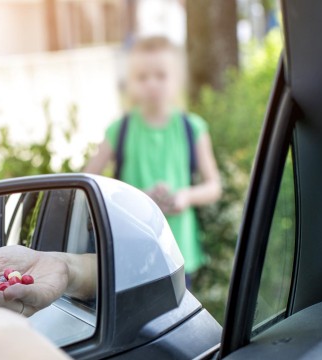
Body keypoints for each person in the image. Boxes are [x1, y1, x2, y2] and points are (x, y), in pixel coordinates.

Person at [83, 36, 222, 287]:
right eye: (142, 76)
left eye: (161, 75)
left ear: (177, 78)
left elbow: (213, 186)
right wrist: (136, 198)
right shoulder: (119, 130)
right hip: (131, 256)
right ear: (131, 82)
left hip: (178, 256)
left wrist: (185, 197)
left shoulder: (193, 128)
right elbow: (88, 184)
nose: (152, 84)